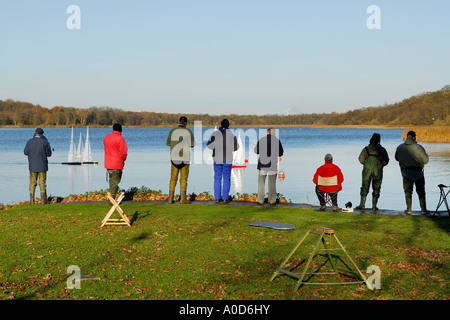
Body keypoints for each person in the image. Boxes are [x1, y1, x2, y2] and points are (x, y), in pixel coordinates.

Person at [395, 130, 429, 215]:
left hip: (405, 172)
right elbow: (425, 161)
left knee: (408, 191)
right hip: (418, 172)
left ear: (407, 137)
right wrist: (426, 155)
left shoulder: (400, 147)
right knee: (421, 191)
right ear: (414, 137)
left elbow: (396, 158)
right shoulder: (419, 147)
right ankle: (423, 209)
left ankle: (409, 209)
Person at [207, 119, 238, 204]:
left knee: (217, 178)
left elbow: (209, 146)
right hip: (227, 160)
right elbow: (236, 148)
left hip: (217, 159)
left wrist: (216, 146)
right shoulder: (231, 134)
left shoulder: (214, 133)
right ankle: (225, 198)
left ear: (221, 125)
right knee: (226, 179)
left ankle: (217, 198)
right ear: (228, 125)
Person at [355, 133, 390, 211]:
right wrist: (380, 165)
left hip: (367, 170)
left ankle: (362, 205)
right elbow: (386, 161)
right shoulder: (382, 150)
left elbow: (361, 159)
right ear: (379, 140)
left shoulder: (366, 149)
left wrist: (366, 164)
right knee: (377, 187)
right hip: (378, 170)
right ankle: (374, 206)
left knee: (365, 186)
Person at [166, 116, 196, 204]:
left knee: (173, 179)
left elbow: (168, 143)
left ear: (179, 122)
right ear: (186, 123)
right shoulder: (189, 132)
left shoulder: (172, 131)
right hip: (185, 159)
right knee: (183, 179)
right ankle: (183, 199)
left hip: (174, 158)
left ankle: (170, 199)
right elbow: (192, 144)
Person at [254, 128, 284, 206]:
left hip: (262, 165)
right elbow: (281, 153)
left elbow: (256, 151)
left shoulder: (262, 140)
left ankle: (260, 201)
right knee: (272, 183)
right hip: (272, 165)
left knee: (261, 183)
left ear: (267, 132)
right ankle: (272, 201)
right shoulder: (277, 141)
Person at [24, 128, 52, 204]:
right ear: (42, 134)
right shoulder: (45, 142)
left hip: (32, 166)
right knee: (42, 182)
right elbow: (49, 154)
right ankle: (43, 200)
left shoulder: (30, 142)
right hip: (42, 166)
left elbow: (25, 152)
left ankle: (32, 201)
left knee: (32, 183)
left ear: (35, 133)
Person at [103, 123, 128, 198]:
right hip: (117, 164)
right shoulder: (120, 138)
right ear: (121, 130)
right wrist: (123, 160)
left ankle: (112, 198)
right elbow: (123, 153)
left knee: (112, 182)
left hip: (108, 164)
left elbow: (105, 147)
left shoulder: (107, 137)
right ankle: (112, 200)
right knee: (115, 182)